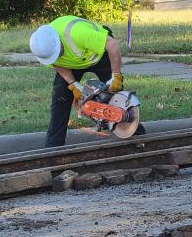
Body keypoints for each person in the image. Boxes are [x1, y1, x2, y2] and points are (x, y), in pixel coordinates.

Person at [29, 15, 142, 147]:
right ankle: (53, 149)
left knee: (118, 98)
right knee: (60, 102)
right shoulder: (44, 50)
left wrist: (116, 76)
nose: (56, 56)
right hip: (72, 64)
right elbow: (57, 63)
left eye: (57, 52)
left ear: (57, 41)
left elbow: (112, 45)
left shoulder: (77, 33)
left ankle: (138, 138)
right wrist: (73, 84)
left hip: (99, 54)